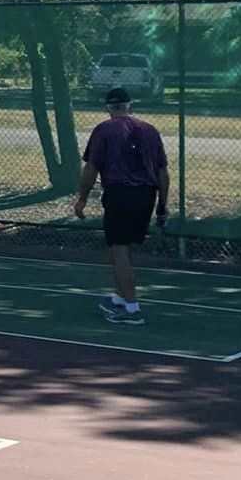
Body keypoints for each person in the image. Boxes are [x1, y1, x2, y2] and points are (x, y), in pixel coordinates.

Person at [72, 86, 169, 325]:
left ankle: (132, 309)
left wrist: (82, 198)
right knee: (123, 248)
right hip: (147, 194)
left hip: (119, 193)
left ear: (108, 108)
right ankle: (119, 297)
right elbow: (162, 171)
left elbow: (91, 168)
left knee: (119, 248)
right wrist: (163, 205)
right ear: (130, 106)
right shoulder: (150, 130)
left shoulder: (103, 130)